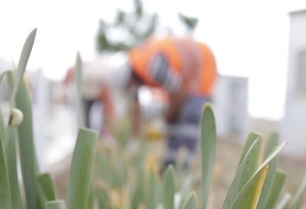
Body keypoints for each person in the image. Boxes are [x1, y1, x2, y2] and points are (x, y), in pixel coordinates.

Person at [85, 37, 217, 171]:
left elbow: (180, 94)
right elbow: (136, 107)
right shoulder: (136, 67)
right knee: (174, 125)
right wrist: (134, 141)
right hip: (185, 78)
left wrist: (163, 119)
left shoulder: (153, 67)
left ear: (129, 79)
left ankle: (182, 171)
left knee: (187, 118)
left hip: (200, 67)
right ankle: (170, 169)